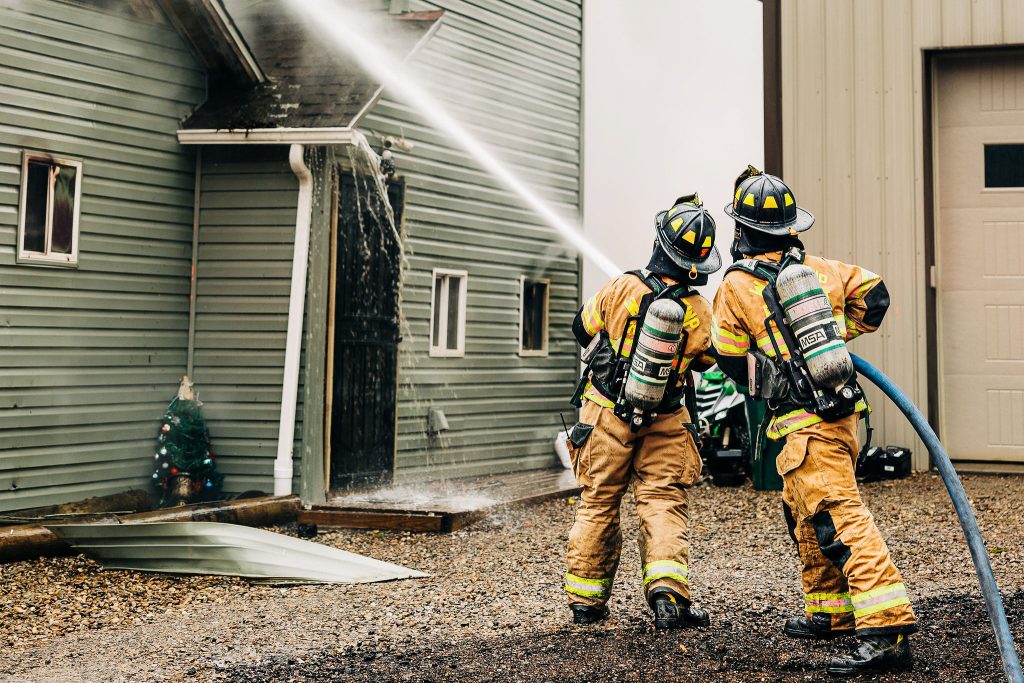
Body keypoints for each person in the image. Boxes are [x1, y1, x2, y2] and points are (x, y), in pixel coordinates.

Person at [711, 166, 917, 676]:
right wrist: (832, 339)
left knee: (838, 518)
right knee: (806, 517)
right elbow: (877, 296)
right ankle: (831, 612)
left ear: (743, 230)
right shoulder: (823, 270)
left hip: (805, 425)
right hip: (840, 415)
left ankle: (886, 629)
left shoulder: (736, 286)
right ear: (791, 228)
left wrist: (779, 361)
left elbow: (730, 359)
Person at [564, 193, 720, 629]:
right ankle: (669, 598)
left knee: (598, 501)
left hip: (605, 414)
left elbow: (582, 327)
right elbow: (707, 361)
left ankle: (587, 602)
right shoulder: (699, 311)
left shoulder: (624, 287)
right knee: (662, 501)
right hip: (667, 420)